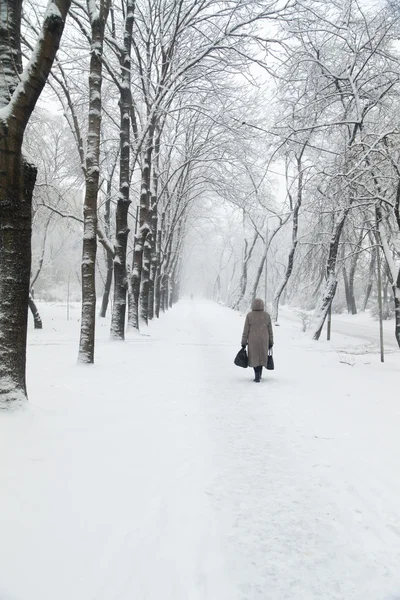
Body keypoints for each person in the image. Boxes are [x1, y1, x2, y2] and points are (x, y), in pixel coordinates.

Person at [241, 298, 274, 382]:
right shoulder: (266, 316)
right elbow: (270, 330)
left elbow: (246, 330)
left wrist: (244, 342)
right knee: (262, 357)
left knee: (254, 357)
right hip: (264, 340)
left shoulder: (249, 315)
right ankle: (260, 374)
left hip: (253, 340)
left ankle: (257, 374)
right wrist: (271, 341)